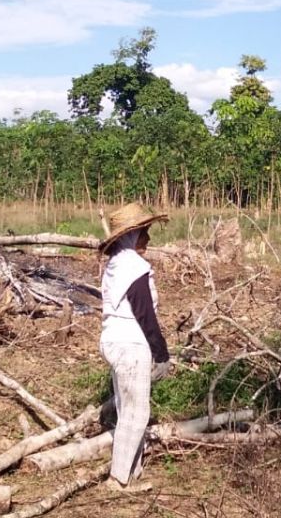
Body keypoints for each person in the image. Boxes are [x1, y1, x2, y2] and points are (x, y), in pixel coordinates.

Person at [98, 202, 171, 492]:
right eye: (144, 232)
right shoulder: (133, 266)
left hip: (114, 340)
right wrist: (161, 352)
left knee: (124, 406)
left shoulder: (117, 264)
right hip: (130, 343)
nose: (148, 239)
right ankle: (117, 480)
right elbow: (144, 313)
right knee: (137, 412)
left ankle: (132, 470)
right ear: (131, 235)